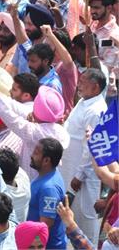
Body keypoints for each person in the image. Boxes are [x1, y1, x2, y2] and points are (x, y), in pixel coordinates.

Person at [0, 62, 69, 178]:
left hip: (31, 182)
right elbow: (11, 104)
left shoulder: (34, 132)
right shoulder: (57, 128)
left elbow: (6, 112)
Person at [59, 68, 108, 246]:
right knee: (71, 218)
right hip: (70, 168)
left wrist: (80, 175)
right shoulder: (84, 101)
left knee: (86, 219)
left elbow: (91, 147)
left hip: (84, 176)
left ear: (95, 87)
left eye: (83, 82)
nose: (78, 84)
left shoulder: (97, 110)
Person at [27, 138, 66, 249]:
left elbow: (45, 226)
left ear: (46, 161)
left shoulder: (49, 189)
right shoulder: (47, 174)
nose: (31, 155)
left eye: (36, 153)